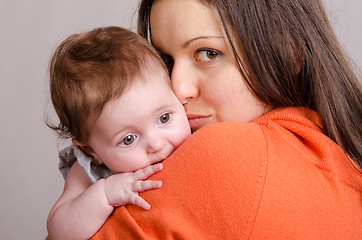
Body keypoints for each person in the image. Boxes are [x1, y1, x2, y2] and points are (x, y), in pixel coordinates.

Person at [90, 0, 362, 239]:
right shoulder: (335, 156)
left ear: (290, 52)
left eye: (208, 53)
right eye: (166, 61)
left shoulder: (230, 154)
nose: (178, 88)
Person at [46, 26, 191, 240]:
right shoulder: (90, 172)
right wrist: (105, 194)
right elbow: (58, 232)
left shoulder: (197, 138)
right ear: (91, 151)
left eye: (164, 118)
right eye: (128, 139)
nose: (156, 144)